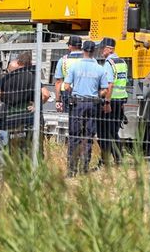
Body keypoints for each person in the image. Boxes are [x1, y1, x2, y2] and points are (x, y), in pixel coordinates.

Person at [0, 51, 51, 156]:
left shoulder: (4, 79)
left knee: (11, 149)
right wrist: (36, 105)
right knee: (33, 149)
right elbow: (46, 94)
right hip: (28, 119)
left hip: (9, 119)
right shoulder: (32, 78)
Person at [59, 39, 112, 175]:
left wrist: (73, 91)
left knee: (74, 136)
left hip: (77, 104)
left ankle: (71, 170)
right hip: (92, 104)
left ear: (83, 50)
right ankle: (84, 168)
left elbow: (66, 86)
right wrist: (96, 94)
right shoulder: (99, 69)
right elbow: (105, 90)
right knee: (88, 136)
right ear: (93, 51)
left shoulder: (74, 67)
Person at [52, 36, 84, 168]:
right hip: (84, 94)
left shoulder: (63, 60)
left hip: (68, 94)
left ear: (70, 46)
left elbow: (59, 81)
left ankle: (69, 146)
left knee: (70, 122)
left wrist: (58, 99)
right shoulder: (87, 59)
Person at [95, 37, 128, 167]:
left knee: (104, 132)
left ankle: (106, 160)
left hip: (111, 101)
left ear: (109, 49)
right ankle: (117, 159)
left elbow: (110, 85)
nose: (101, 51)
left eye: (102, 48)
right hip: (121, 100)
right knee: (113, 131)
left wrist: (107, 103)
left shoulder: (109, 63)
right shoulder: (122, 62)